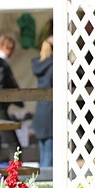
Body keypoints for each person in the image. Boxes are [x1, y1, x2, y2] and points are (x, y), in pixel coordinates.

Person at [31, 35, 54, 169]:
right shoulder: (54, 65)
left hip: (41, 108)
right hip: (51, 108)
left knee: (43, 152)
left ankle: (40, 179)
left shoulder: (38, 65)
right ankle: (45, 180)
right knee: (49, 154)